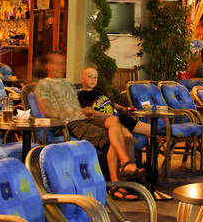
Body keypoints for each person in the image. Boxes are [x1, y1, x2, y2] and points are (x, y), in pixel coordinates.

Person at [33, 51, 143, 188]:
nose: (61, 67)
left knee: (114, 121)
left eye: (62, 63)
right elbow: (48, 111)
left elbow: (76, 105)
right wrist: (78, 112)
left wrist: (88, 111)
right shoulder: (43, 85)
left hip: (84, 117)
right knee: (114, 137)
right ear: (48, 66)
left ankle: (126, 169)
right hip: (71, 123)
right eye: (56, 63)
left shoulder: (67, 83)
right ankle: (117, 184)